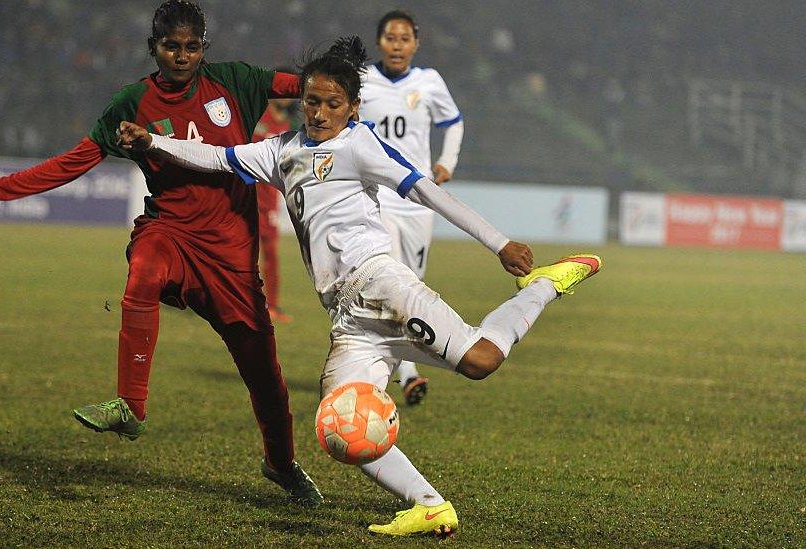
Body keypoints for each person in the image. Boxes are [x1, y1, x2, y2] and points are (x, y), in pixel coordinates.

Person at [118, 36, 602, 537]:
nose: (320, 113)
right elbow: (216, 158)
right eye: (312, 101)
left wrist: (500, 244)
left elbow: (428, 192)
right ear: (298, 101)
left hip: (381, 285)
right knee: (337, 426)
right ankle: (430, 505)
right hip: (347, 317)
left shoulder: (360, 145)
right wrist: (152, 141)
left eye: (333, 104)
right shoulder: (280, 152)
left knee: (481, 362)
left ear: (352, 108)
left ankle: (543, 287)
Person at [0, 0, 322, 507]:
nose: (182, 56)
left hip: (231, 256)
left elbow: (306, 87)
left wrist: (347, 88)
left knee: (266, 380)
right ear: (154, 48)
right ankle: (131, 404)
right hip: (169, 232)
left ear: (204, 49)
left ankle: (281, 465)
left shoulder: (236, 81)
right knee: (145, 266)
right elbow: (74, 162)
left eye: (192, 47)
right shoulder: (133, 101)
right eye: (171, 46)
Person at [358, 10, 466, 406]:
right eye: (390, 37)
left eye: (405, 38)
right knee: (387, 281)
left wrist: (446, 163)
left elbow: (453, 122)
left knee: (412, 286)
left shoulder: (429, 82)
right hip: (378, 197)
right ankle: (402, 371)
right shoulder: (362, 80)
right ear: (380, 42)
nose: (397, 45)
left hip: (417, 201)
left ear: (415, 43)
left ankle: (395, 366)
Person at [253, 96, 296, 324]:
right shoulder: (258, 116)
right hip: (247, 193)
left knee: (270, 252)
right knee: (239, 252)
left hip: (269, 199)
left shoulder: (287, 125)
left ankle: (272, 305)